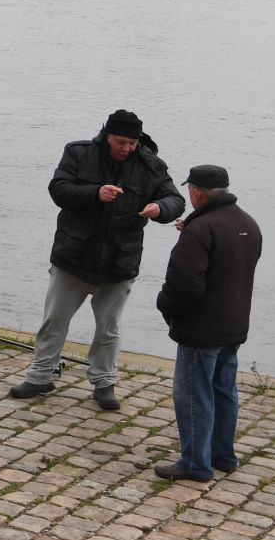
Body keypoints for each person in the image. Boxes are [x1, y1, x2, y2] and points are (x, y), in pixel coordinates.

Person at [10, 110, 184, 410]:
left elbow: (175, 199)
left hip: (120, 262)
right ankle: (40, 376)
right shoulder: (78, 153)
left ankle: (104, 383)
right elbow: (58, 189)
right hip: (72, 257)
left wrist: (159, 207)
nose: (127, 148)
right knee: (54, 320)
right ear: (107, 134)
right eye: (121, 141)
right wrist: (95, 193)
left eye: (132, 142)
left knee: (109, 328)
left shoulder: (152, 166)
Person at [152, 165, 263, 482]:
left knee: (192, 394)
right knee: (224, 391)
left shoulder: (201, 230)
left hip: (201, 329)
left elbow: (185, 285)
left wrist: (165, 306)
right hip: (234, 325)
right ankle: (223, 455)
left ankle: (195, 463)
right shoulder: (247, 223)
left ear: (197, 192)